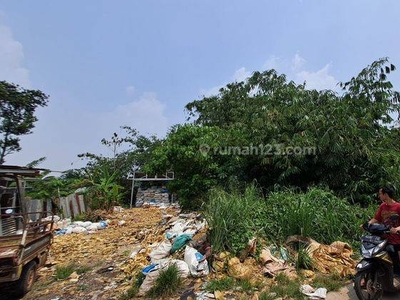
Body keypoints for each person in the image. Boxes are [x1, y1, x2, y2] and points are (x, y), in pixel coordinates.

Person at [364, 186, 400, 274]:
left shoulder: (398, 207)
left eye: (380, 193)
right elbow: (376, 218)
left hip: (397, 239)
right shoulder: (383, 206)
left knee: (397, 261)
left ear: (386, 195)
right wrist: (367, 224)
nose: (379, 195)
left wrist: (397, 229)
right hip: (384, 238)